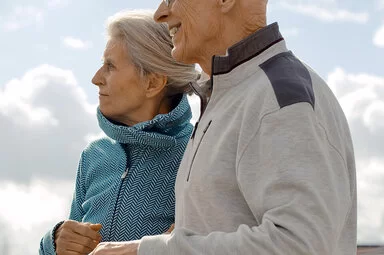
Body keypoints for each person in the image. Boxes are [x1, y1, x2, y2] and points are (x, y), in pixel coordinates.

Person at [90, 0, 357, 254]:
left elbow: (300, 247)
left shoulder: (279, 96)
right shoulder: (232, 94)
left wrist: (148, 252)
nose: (160, 13)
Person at [39, 9, 199, 255]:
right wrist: (55, 242)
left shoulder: (198, 152)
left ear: (153, 83)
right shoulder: (94, 155)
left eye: (110, 66)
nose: (96, 78)